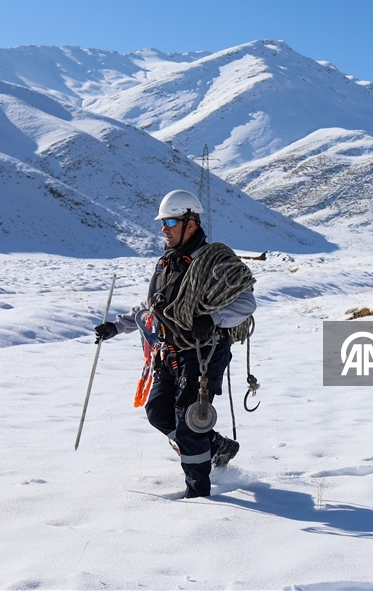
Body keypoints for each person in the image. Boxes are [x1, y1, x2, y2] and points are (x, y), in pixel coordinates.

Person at [94, 190, 256, 498]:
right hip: (169, 352)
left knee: (188, 422)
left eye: (170, 221)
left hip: (204, 352)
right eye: (162, 222)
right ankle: (216, 446)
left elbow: (246, 303)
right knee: (157, 411)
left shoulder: (215, 262)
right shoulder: (165, 264)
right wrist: (116, 327)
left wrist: (212, 320)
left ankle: (199, 495)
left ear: (191, 224)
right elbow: (152, 310)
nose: (163, 228)